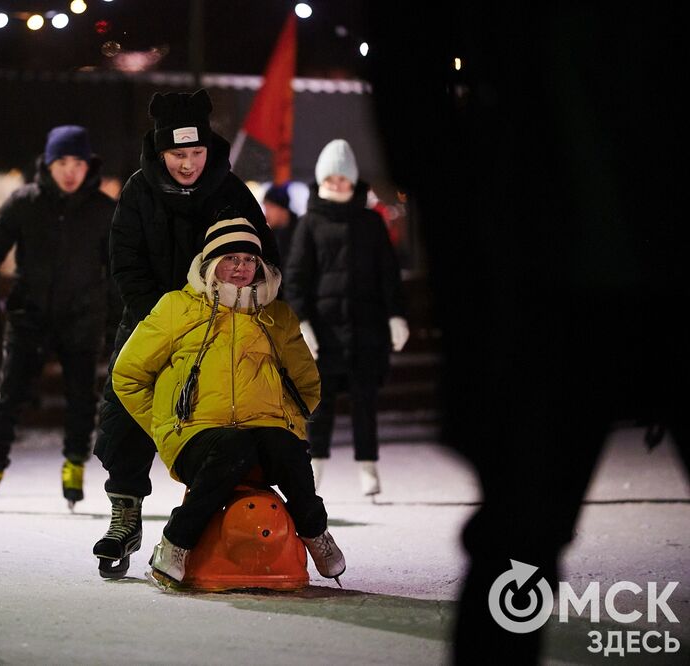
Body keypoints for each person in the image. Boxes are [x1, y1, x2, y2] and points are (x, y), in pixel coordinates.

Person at [366, 2, 687, 662]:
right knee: (518, 540)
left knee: (517, 540)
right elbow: (409, 63)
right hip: (539, 281)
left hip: (568, 266)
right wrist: (457, 224)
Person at [93, 89, 280, 577]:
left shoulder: (232, 191)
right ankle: (126, 511)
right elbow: (124, 261)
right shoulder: (136, 191)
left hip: (219, 327)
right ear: (161, 151)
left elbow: (262, 254)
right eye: (178, 154)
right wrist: (162, 317)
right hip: (151, 320)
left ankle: (211, 516)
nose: (188, 163)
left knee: (223, 413)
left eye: (196, 152)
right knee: (124, 403)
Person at [112, 218, 345, 586]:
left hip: (266, 429)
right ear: (209, 264)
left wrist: (288, 421)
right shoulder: (177, 308)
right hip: (198, 434)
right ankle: (176, 543)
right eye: (230, 257)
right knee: (231, 447)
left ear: (260, 266)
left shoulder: (277, 316)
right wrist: (165, 425)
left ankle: (316, 533)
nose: (240, 266)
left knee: (287, 447)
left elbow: (307, 386)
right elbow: (128, 374)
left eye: (249, 259)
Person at [0, 125, 116, 513]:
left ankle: (74, 466)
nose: (70, 171)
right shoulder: (23, 203)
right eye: (62, 161)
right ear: (48, 164)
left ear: (89, 166)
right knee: (9, 396)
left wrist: (116, 324)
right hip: (29, 316)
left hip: (82, 319)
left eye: (78, 162)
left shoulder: (103, 211)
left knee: (82, 398)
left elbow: (118, 273)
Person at [284, 139, 409, 495]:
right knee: (318, 409)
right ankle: (315, 471)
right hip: (325, 333)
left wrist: (396, 316)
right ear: (322, 179)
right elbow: (297, 278)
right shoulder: (309, 224)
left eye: (344, 177)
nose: (337, 183)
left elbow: (388, 273)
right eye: (331, 177)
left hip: (366, 330)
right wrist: (303, 322)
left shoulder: (371, 222)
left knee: (365, 404)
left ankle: (369, 467)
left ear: (353, 181)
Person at [262, 183, 298, 258]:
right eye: (265, 207)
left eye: (270, 207)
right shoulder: (268, 236)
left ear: (283, 209)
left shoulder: (300, 233)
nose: (266, 214)